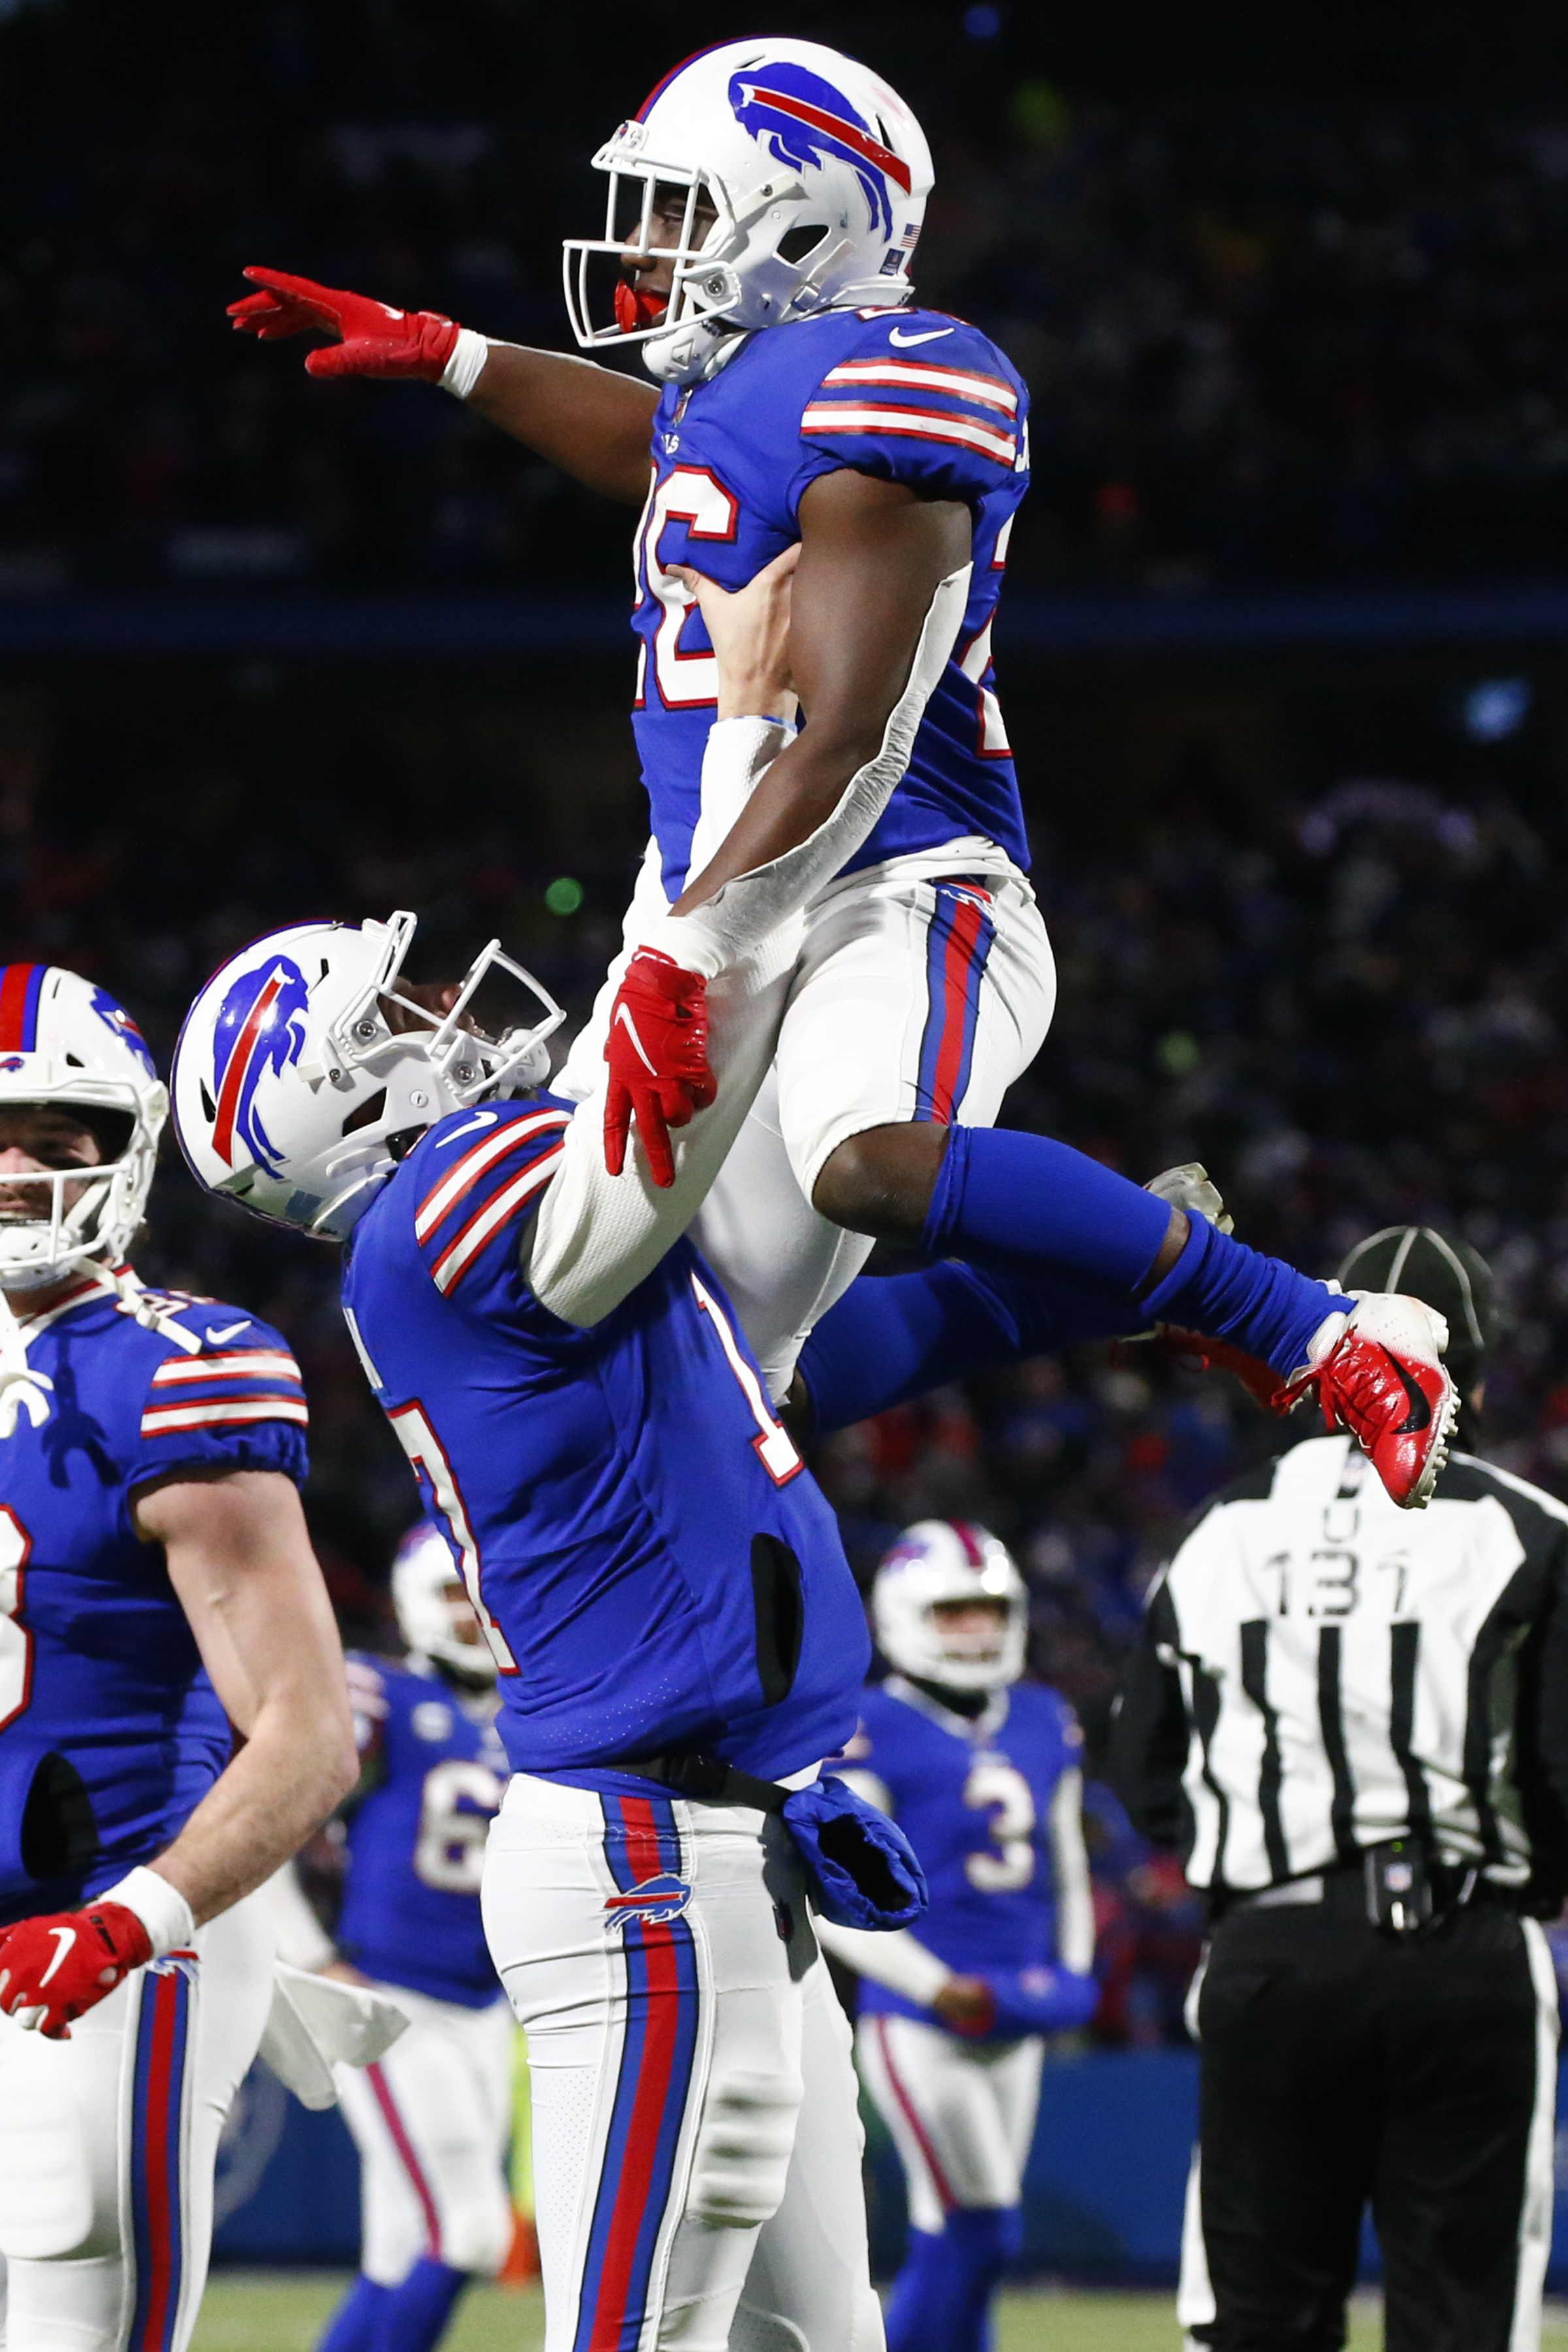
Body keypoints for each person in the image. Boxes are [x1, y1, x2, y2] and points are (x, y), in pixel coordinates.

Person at [221, 41, 1460, 1515]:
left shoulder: (892, 389)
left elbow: (852, 742)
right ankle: (1108, 1274)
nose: (647, 249)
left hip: (893, 882)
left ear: (800, 223)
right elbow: (674, 456)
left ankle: (1317, 1335)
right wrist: (452, 353)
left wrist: (689, 952)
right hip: (720, 886)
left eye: (686, 211)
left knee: (863, 1163)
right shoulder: (758, 385)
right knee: (733, 1381)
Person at [171, 912, 909, 2352]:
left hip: (720, 1835)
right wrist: (734, 869)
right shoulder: (454, 1202)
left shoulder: (467, 1224)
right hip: (647, 1851)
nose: (445, 1008)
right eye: (395, 1011)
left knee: (821, 2337)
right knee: (631, 2327)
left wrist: (1111, 1276)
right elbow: (699, 1100)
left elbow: (826, 1348)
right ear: (329, 1095)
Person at [1112, 1226, 1568, 2352]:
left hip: (1273, 1952)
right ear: (1472, 1353)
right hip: (1469, 1949)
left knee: (1258, 2321)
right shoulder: (1529, 1528)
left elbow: (1143, 1766)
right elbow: (1559, 1765)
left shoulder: (1222, 1527)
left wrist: (1252, 1867)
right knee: (1461, 2322)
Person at [0, 963, 357, 2352]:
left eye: (55, 1137)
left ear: (127, 1148)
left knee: (73, 2304)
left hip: (102, 1930)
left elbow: (309, 1731)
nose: (17, 1170)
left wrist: (129, 1925)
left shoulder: (180, 1371)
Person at [817, 1520, 1098, 2352]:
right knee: (982, 2227)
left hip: (1014, 2006)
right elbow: (839, 1895)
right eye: (952, 1613)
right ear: (905, 1616)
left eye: (986, 1611)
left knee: (964, 2234)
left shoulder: (1045, 1716)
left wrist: (1071, 1972)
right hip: (923, 2019)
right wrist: (933, 1986)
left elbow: (1069, 1864)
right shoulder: (868, 1722)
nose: (975, 1630)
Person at [284, 1526, 514, 2352]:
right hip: (394, 2002)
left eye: (481, 1590)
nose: (475, 1611)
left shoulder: (529, 1716)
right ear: (416, 1602)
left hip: (488, 2008)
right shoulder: (378, 1693)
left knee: (398, 2251)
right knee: (473, 2233)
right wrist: (311, 1956)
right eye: (455, 1593)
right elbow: (271, 1815)